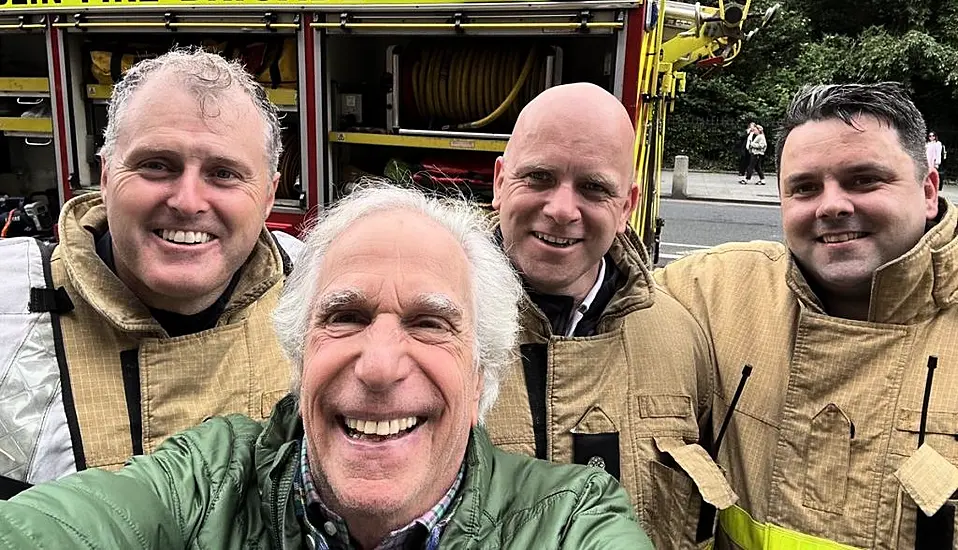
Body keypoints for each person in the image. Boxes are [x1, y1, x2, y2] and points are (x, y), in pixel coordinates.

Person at [0, 184, 653, 550]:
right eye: (344, 316)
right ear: (298, 353)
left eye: (430, 323)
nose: (378, 365)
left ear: (481, 374)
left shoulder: (570, 520)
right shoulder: (204, 482)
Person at [655, 82, 958, 549]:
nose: (832, 205)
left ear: (928, 192)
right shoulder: (716, 291)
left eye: (864, 180)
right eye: (804, 188)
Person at [0, 47, 302, 498]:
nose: (187, 201)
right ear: (104, 176)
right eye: (156, 165)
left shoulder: (315, 290)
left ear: (268, 196)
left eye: (223, 173)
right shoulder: (9, 307)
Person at [484, 82, 734, 550]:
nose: (561, 210)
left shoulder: (683, 339)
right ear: (500, 182)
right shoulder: (430, 326)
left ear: (627, 207)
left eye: (594, 188)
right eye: (537, 177)